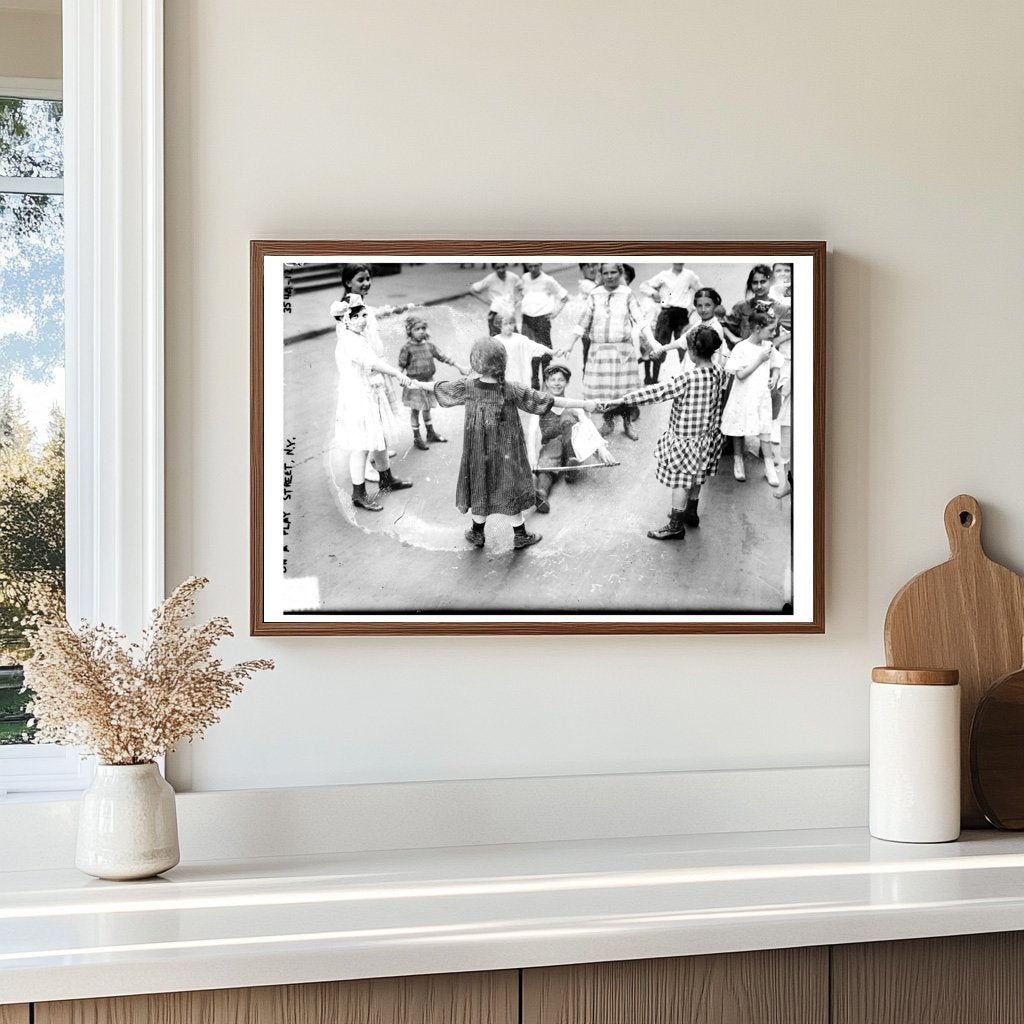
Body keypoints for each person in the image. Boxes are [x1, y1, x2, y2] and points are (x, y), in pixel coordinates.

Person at [432, 337, 598, 550]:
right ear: (502, 362)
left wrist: (414, 383)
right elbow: (548, 400)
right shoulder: (510, 389)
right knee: (509, 489)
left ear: (475, 362)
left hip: (477, 453)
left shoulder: (468, 387)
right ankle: (520, 535)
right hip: (507, 453)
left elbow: (439, 388)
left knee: (481, 486)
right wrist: (585, 404)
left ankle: (477, 532)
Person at [613, 325, 727, 540]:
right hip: (706, 438)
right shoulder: (719, 372)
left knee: (681, 483)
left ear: (692, 352)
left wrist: (624, 399)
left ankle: (676, 526)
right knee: (697, 477)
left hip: (685, 440)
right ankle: (691, 513)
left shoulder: (688, 378)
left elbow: (656, 392)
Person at [330, 296, 415, 512]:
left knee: (380, 437)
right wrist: (396, 373)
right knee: (362, 446)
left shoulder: (359, 337)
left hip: (371, 393)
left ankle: (386, 479)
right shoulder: (348, 341)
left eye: (363, 315)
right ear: (345, 320)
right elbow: (372, 362)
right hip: (358, 398)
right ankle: (358, 494)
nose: (362, 320)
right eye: (355, 316)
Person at [560, 262, 661, 440]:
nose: (609, 276)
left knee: (625, 392)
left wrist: (652, 341)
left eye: (613, 272)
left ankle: (627, 424)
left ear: (620, 273)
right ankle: (608, 422)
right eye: (605, 273)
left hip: (622, 350)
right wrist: (569, 343)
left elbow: (640, 320)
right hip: (599, 351)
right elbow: (583, 322)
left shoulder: (628, 294)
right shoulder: (594, 294)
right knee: (605, 393)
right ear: (601, 274)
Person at [526, 362, 617, 513]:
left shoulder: (573, 405)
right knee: (546, 462)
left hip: (573, 445)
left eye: (560, 380)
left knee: (568, 420)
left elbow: (588, 426)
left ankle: (571, 463)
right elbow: (532, 432)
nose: (556, 383)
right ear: (547, 382)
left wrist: (602, 450)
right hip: (552, 444)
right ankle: (542, 494)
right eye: (552, 380)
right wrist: (532, 458)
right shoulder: (540, 406)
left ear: (567, 382)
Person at [720, 311, 782, 485]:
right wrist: (759, 360)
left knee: (765, 430)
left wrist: (775, 376)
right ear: (757, 328)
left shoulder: (768, 346)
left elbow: (776, 363)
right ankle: (738, 461)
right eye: (770, 330)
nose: (773, 334)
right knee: (739, 429)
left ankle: (769, 468)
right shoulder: (741, 347)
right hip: (743, 395)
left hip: (761, 396)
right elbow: (740, 375)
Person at [397, 314, 468, 450]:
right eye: (417, 329)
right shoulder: (407, 348)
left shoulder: (429, 346)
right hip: (414, 384)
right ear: (409, 331)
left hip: (428, 382)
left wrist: (460, 367)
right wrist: (399, 376)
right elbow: (401, 365)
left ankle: (430, 433)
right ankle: (417, 437)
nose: (421, 331)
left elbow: (444, 357)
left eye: (423, 328)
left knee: (427, 407)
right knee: (416, 410)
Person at [518, 263, 570, 385]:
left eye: (536, 266)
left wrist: (555, 313)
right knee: (530, 349)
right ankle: (534, 380)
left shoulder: (547, 280)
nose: (533, 269)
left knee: (545, 351)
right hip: (527, 319)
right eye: (530, 266)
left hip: (542, 319)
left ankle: (546, 380)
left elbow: (564, 297)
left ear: (541, 264)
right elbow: (520, 294)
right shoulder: (524, 278)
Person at [640, 263, 701, 364]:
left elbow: (701, 290)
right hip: (666, 313)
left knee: (684, 345)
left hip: (681, 314)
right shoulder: (663, 275)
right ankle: (654, 378)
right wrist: (653, 292)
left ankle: (685, 374)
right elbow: (643, 286)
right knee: (659, 345)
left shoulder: (689, 275)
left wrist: (694, 307)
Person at [721, 264, 787, 342]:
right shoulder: (742, 306)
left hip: (768, 352)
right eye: (755, 283)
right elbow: (724, 324)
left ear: (770, 283)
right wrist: (733, 339)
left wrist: (779, 340)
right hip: (746, 351)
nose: (759, 286)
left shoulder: (780, 308)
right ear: (750, 285)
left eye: (763, 282)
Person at [469, 263, 523, 335]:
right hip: (496, 313)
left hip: (509, 312)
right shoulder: (490, 278)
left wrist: (518, 298)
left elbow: (523, 287)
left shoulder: (513, 277)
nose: (501, 270)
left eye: (503, 267)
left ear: (506, 266)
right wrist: (486, 301)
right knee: (496, 338)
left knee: (514, 336)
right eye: (498, 268)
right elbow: (473, 289)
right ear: (494, 268)